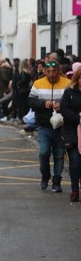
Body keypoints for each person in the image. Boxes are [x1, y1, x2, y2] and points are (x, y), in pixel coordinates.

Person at [29, 56, 70, 192]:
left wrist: (62, 106)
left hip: (62, 127)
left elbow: (74, 102)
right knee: (44, 153)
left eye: (54, 70)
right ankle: (45, 176)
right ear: (45, 71)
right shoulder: (38, 83)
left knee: (59, 154)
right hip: (44, 126)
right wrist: (43, 104)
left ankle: (57, 181)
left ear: (59, 70)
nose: (51, 74)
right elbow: (30, 102)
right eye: (49, 71)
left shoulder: (67, 83)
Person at [60, 67, 81, 202]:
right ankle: (75, 189)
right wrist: (78, 118)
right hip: (72, 132)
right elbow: (64, 109)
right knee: (75, 161)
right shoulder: (69, 92)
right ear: (77, 78)